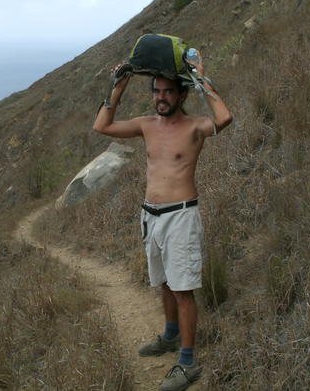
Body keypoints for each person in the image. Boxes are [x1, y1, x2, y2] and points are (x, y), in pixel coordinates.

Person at [93, 50, 232, 391]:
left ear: (181, 94)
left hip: (181, 215)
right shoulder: (146, 125)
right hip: (150, 216)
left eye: (168, 91)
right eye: (156, 91)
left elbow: (224, 117)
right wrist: (118, 86)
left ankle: (187, 363)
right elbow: (102, 126)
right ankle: (170, 335)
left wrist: (201, 77)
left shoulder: (195, 127)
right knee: (165, 282)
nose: (161, 97)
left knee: (183, 289)